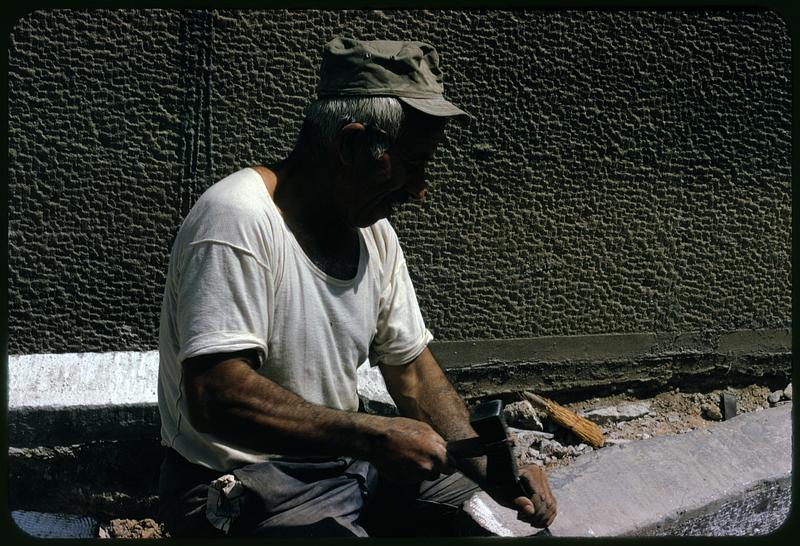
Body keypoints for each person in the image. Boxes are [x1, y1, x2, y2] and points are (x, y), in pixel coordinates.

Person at [156, 36, 556, 537]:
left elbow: (412, 375)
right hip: (243, 485)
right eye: (412, 163)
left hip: (351, 468)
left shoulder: (374, 233)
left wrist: (493, 469)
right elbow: (215, 395)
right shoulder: (237, 219)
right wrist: (372, 436)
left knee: (506, 529)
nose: (420, 188)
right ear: (350, 145)